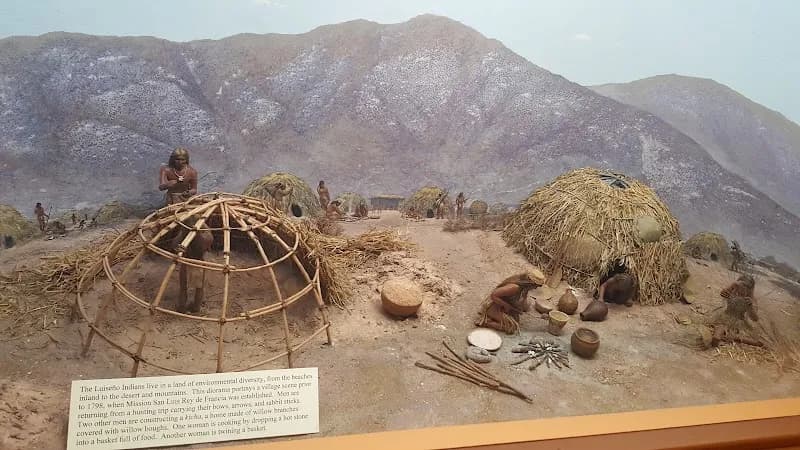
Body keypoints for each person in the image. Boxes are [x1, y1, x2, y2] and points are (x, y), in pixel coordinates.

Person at [475, 269, 545, 334]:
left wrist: (519, 308)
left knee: (518, 316)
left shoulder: (524, 287)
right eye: (536, 286)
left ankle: (494, 317)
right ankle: (486, 322)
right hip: (494, 304)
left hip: (504, 303)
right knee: (511, 327)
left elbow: (523, 300)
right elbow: (494, 295)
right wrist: (506, 306)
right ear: (530, 283)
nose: (536, 288)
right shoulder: (514, 287)